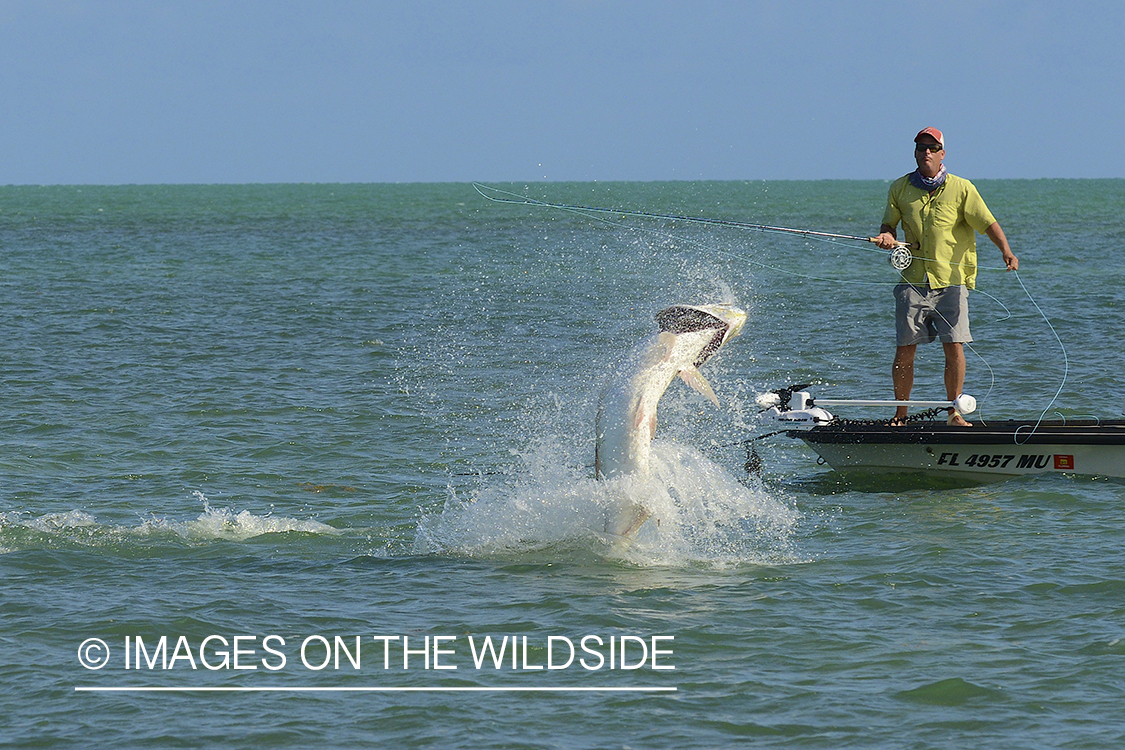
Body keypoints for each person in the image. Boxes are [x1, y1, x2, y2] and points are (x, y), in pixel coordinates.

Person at [874, 127, 1018, 426]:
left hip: (952, 281)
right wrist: (887, 236)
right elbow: (888, 226)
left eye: (932, 147)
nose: (926, 152)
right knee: (904, 350)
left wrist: (1006, 250)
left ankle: (954, 413)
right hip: (913, 280)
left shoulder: (962, 188)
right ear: (915, 153)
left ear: (942, 153)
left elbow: (988, 222)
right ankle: (901, 415)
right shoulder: (899, 188)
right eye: (921, 147)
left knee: (954, 347)